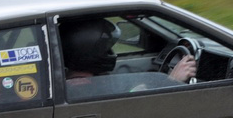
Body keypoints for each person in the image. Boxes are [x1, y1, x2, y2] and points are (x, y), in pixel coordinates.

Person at [60, 18, 196, 82]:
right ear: (88, 51)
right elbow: (136, 113)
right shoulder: (82, 86)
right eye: (106, 49)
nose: (110, 53)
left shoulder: (79, 80)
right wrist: (172, 81)